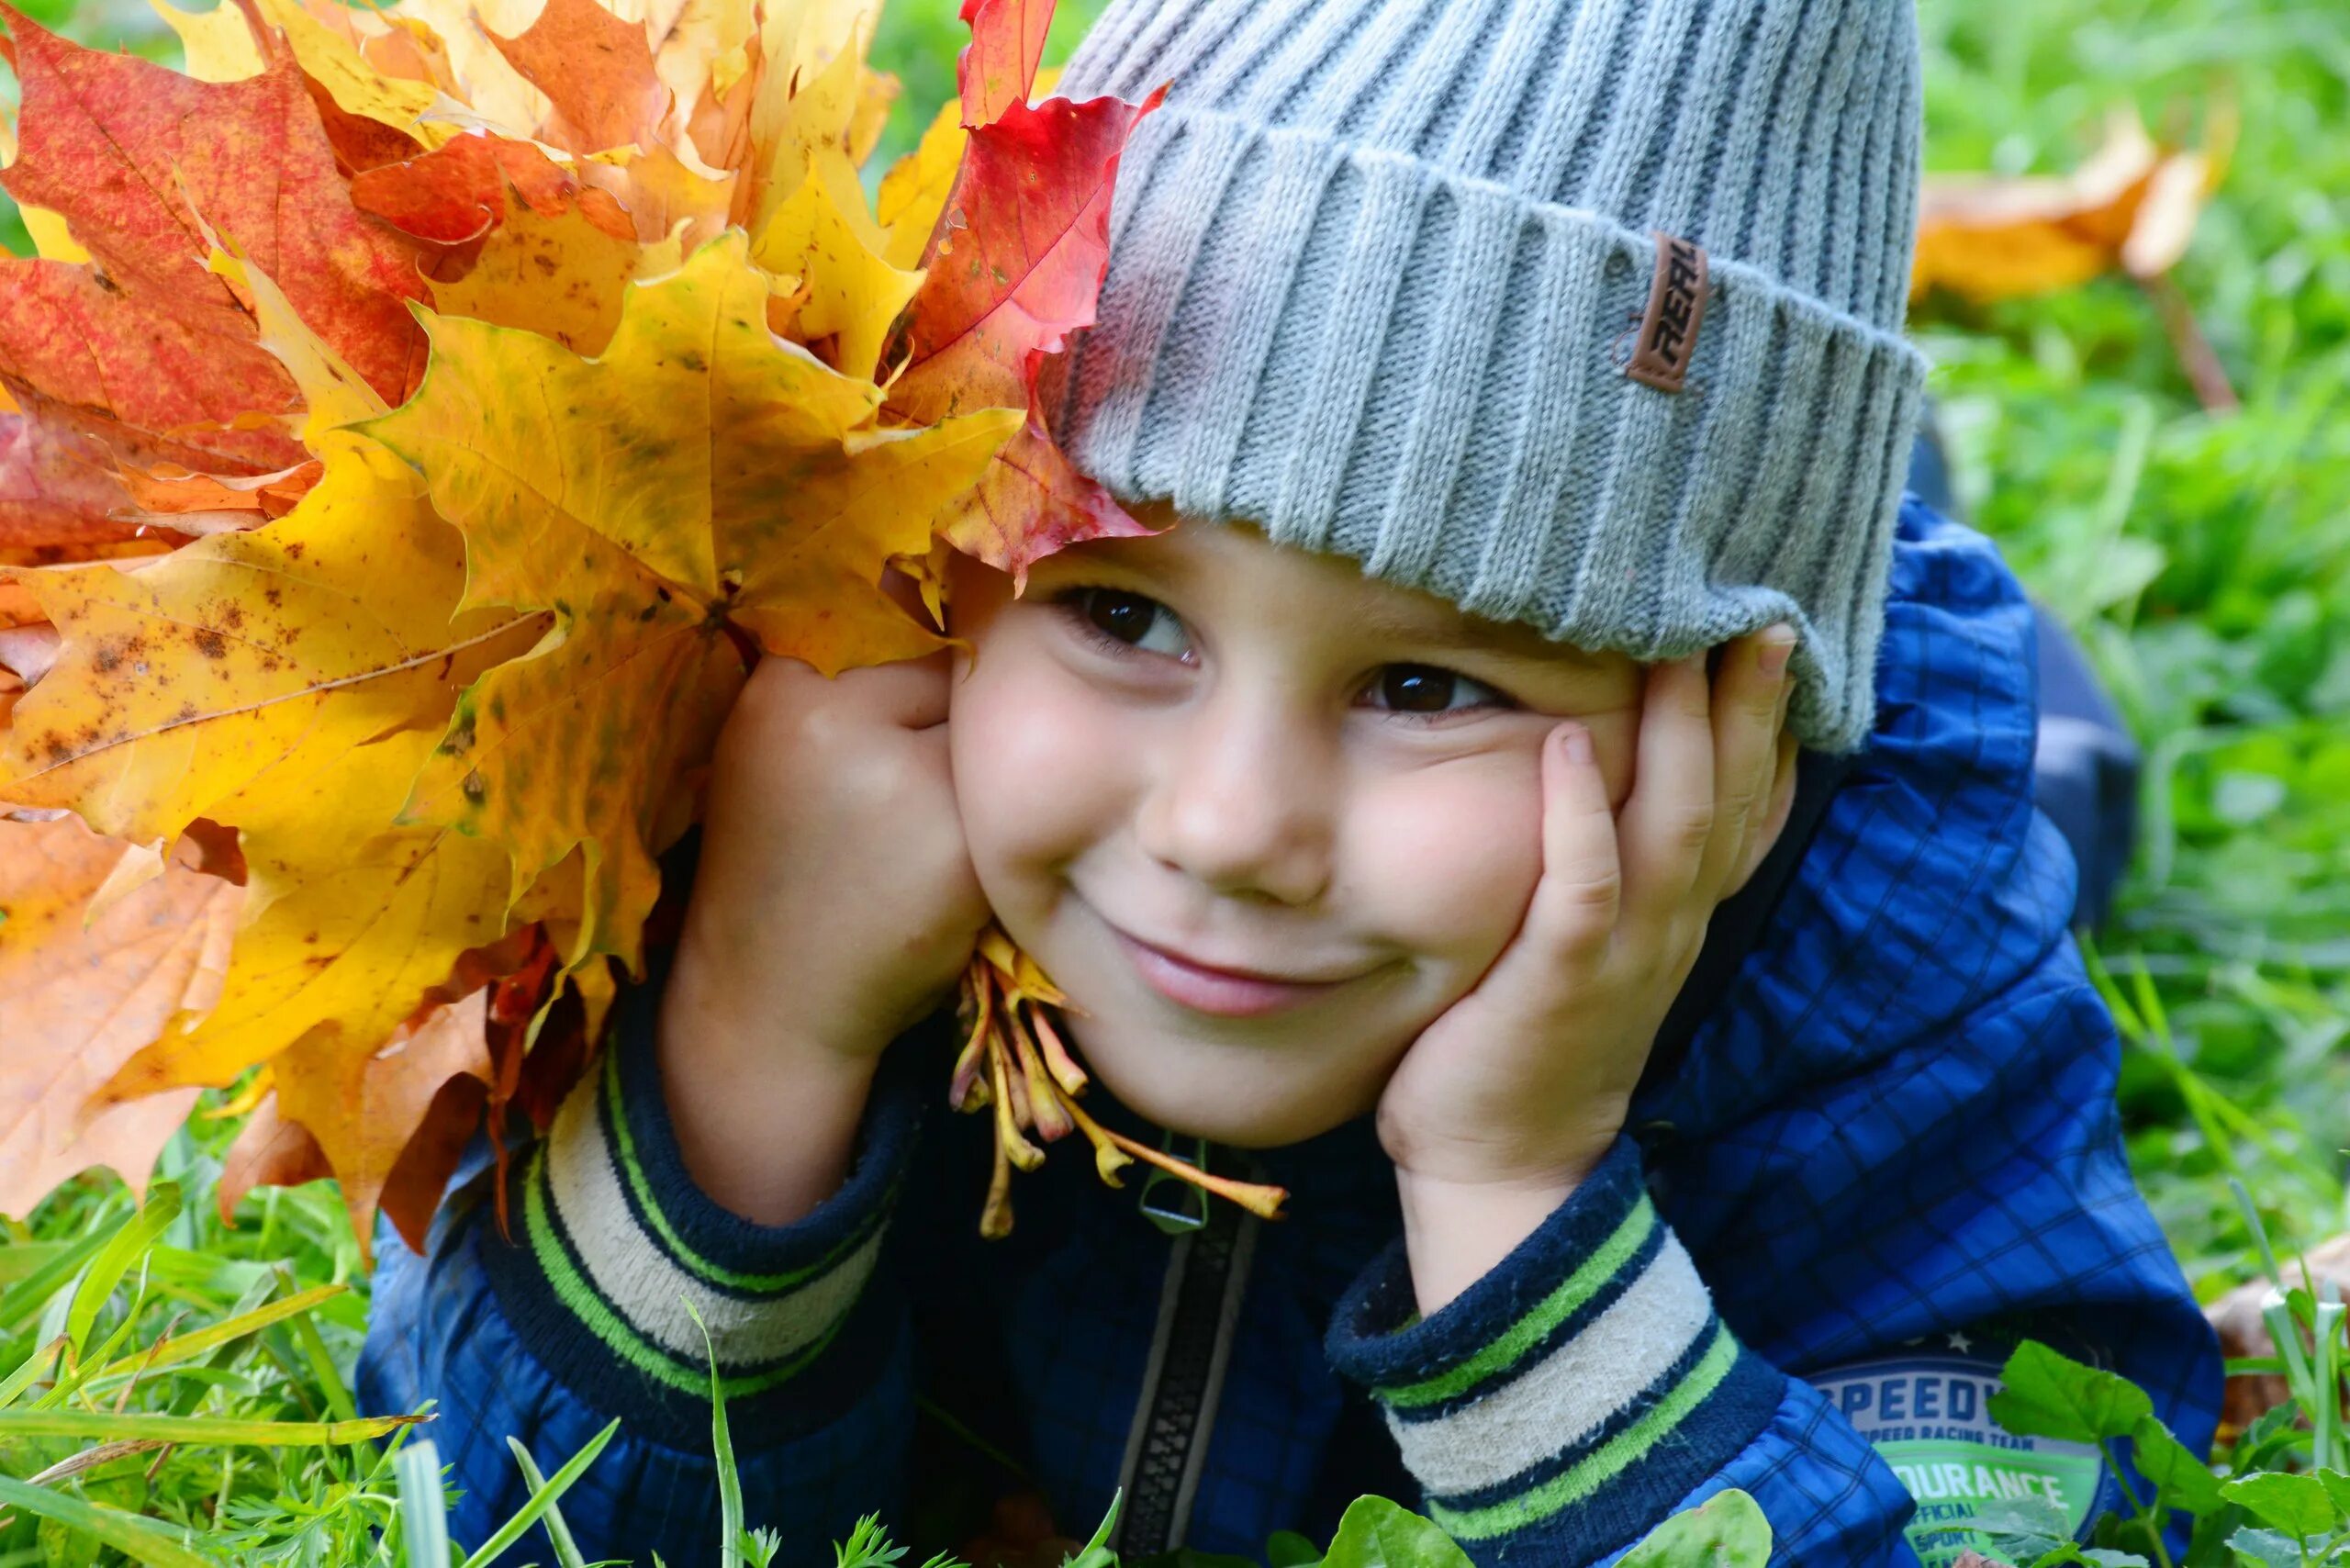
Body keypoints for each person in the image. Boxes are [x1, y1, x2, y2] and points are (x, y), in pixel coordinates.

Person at [358, 0, 2222, 1562]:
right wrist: (752, 1034)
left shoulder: (1861, 939)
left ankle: (1907, 554)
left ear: (1720, 730)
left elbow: (2035, 1499)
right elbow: (488, 1491)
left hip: (1868, 768)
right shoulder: (786, 778)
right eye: (1117, 611)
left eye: (1425, 680)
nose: (1226, 824)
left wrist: (1518, 1191)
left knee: (2048, 764)